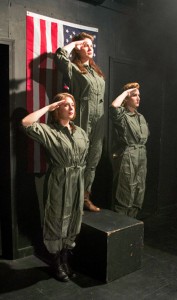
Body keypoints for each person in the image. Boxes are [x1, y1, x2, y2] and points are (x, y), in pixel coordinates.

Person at [21, 93, 89, 282]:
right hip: (59, 180)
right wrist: (48, 108)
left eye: (72, 104)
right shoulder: (49, 131)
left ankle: (66, 259)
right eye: (65, 105)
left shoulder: (81, 132)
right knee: (56, 219)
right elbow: (26, 123)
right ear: (57, 109)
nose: (70, 107)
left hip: (77, 180)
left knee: (75, 217)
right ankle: (56, 262)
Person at [55, 32, 105, 212]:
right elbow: (59, 56)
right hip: (83, 116)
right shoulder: (74, 69)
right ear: (77, 48)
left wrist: (83, 43)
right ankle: (73, 201)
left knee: (93, 160)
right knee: (78, 159)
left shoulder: (96, 71)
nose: (90, 47)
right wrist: (75, 43)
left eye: (91, 45)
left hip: (98, 121)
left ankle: (85, 197)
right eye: (85, 45)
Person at [109, 82, 149, 219]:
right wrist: (126, 92)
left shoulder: (141, 117)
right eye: (134, 95)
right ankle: (120, 227)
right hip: (128, 155)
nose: (138, 98)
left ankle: (131, 225)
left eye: (139, 95)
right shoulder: (123, 116)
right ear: (127, 98)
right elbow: (114, 107)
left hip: (141, 155)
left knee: (139, 192)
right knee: (125, 192)